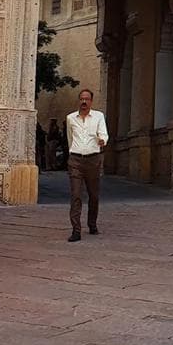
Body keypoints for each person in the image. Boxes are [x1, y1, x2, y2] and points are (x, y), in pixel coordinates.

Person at [65, 88, 107, 242]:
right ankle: (76, 230)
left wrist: (102, 140)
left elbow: (103, 133)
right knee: (76, 195)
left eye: (87, 99)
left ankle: (92, 223)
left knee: (93, 195)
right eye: (82, 99)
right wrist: (72, 151)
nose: (84, 102)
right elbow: (70, 138)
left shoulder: (98, 117)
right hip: (75, 159)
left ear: (91, 101)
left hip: (93, 160)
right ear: (79, 100)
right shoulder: (70, 118)